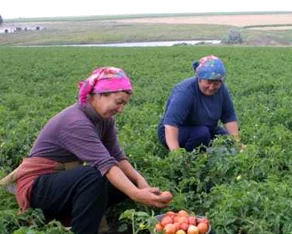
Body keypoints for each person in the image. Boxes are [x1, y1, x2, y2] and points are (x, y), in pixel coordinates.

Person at [1, 67, 171, 234]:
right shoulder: (76, 121)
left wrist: (141, 184)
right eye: (118, 102)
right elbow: (105, 163)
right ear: (98, 94)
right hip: (37, 186)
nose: (120, 109)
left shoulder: (104, 119)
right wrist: (136, 195)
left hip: (63, 182)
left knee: (125, 178)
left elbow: (117, 156)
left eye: (124, 104)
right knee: (93, 176)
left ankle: (79, 213)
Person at [157, 55, 243, 152]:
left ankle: (207, 151)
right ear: (199, 79)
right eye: (208, 82)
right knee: (202, 134)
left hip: (206, 126)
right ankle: (191, 157)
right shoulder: (185, 92)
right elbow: (171, 125)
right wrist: (177, 156)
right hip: (176, 131)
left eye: (216, 83)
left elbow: (229, 117)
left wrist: (237, 144)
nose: (212, 87)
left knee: (228, 140)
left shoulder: (221, 89)